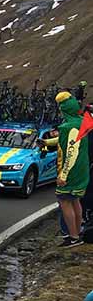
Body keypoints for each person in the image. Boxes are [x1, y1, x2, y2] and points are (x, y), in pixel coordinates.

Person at [55, 91, 89, 247]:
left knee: (64, 200)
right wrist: (48, 142)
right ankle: (78, 232)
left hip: (72, 170)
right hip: (83, 168)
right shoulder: (82, 121)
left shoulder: (68, 127)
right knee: (75, 200)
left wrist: (64, 174)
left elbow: (71, 152)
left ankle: (73, 236)